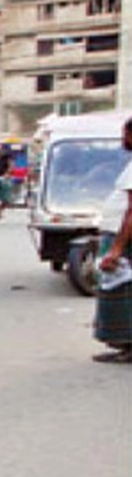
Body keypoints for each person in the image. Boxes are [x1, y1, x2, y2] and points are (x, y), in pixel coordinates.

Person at [91, 117, 132, 363]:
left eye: (125, 135)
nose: (122, 140)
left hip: (124, 240)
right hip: (121, 236)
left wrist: (116, 249)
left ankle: (128, 344)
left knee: (121, 292)